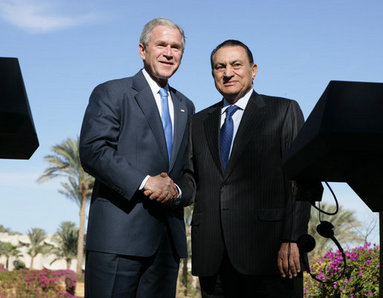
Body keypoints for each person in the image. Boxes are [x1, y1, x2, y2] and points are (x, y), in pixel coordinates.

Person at [178, 40, 312, 297]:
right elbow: (191, 179)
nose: (228, 72)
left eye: (236, 64)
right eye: (220, 66)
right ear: (213, 74)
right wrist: (171, 188)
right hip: (213, 259)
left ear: (254, 70)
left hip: (271, 256)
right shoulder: (197, 122)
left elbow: (302, 178)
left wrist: (293, 238)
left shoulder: (284, 110)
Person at [79, 17, 194, 297]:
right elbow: (94, 150)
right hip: (117, 241)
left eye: (176, 47)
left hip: (166, 246)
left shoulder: (186, 106)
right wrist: (145, 182)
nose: (169, 52)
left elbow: (190, 171)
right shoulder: (112, 92)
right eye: (161, 45)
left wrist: (176, 190)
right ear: (142, 50)